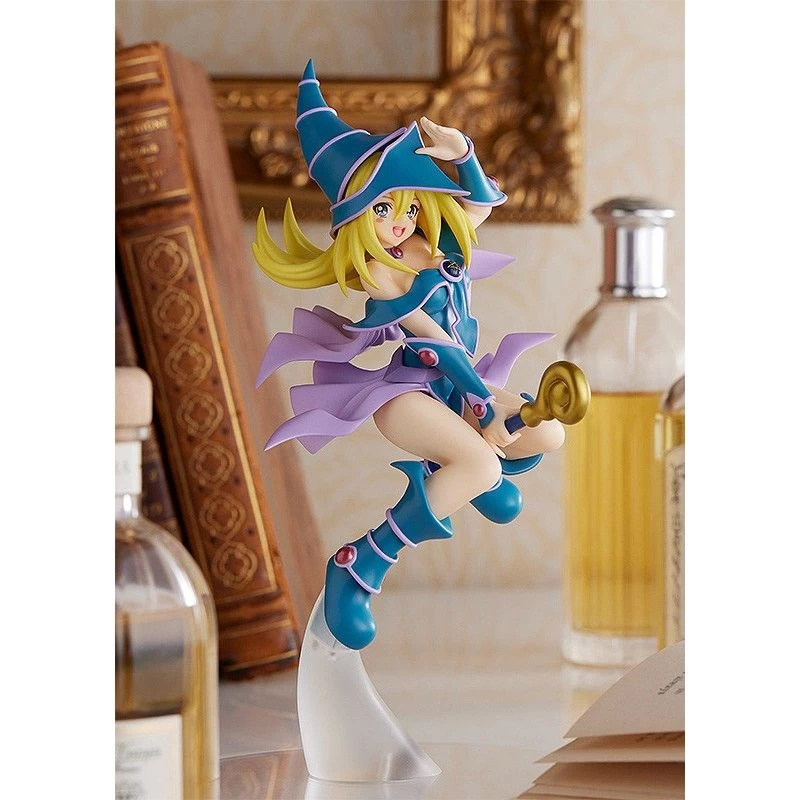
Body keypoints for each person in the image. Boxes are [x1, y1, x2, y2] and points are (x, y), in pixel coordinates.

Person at [254, 60, 565, 651]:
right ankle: (360, 564)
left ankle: (458, 468)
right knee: (484, 467)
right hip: (409, 394)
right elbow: (435, 345)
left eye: (406, 207)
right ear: (356, 217)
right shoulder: (381, 273)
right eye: (381, 209)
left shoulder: (437, 242)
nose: (398, 222)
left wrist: (462, 152)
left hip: (458, 388)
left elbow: (481, 204)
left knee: (549, 434)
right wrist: (483, 404)